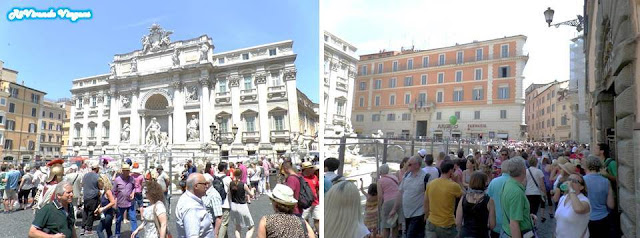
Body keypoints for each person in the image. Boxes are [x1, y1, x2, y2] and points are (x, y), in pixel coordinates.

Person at [390, 156, 427, 238]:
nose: (407, 166)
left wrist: (427, 213)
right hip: (407, 214)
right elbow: (400, 192)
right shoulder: (406, 175)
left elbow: (429, 196)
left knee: (410, 235)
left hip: (418, 213)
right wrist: (394, 209)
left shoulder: (425, 177)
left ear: (417, 165)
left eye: (409, 164)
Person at [425, 160, 464, 238]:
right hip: (447, 224)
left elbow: (426, 203)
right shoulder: (453, 186)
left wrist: (427, 217)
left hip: (431, 222)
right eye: (453, 170)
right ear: (450, 171)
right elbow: (464, 196)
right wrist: (458, 181)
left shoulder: (430, 184)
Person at [499, 157, 535, 238]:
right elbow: (514, 224)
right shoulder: (516, 192)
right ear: (523, 170)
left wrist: (528, 217)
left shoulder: (508, 183)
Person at [583, 156, 616, 238]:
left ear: (587, 166)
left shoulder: (582, 180)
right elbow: (611, 205)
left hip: (587, 219)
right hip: (603, 218)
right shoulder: (606, 181)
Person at [456, 171, 495, 238]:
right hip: (481, 234)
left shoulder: (464, 198)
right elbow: (492, 225)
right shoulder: (489, 200)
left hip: (466, 234)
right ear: (484, 183)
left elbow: (458, 222)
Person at [176, 173, 214, 238]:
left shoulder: (187, 198)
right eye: (205, 184)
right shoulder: (191, 208)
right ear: (196, 186)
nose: (207, 186)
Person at [114, 163, 138, 237]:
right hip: (120, 202)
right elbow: (114, 191)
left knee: (133, 218)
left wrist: (133, 193)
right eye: (125, 170)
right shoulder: (117, 180)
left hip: (130, 202)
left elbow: (135, 187)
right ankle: (117, 233)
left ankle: (135, 234)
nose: (127, 172)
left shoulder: (132, 179)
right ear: (122, 171)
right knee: (118, 219)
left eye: (128, 170)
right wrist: (114, 202)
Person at [229, 169, 255, 238]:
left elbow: (230, 196)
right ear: (241, 175)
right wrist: (253, 190)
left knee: (237, 227)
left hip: (234, 206)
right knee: (251, 227)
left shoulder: (231, 184)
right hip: (242, 206)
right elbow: (251, 195)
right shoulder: (243, 185)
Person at [377, 164, 401, 238]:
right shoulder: (394, 177)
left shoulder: (380, 181)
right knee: (395, 224)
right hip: (398, 201)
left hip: (388, 202)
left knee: (386, 226)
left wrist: (379, 206)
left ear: (380, 172)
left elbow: (380, 196)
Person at [81, 162, 101, 235]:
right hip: (93, 196)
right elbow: (100, 186)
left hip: (86, 195)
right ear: (97, 169)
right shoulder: (97, 176)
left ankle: (83, 227)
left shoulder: (85, 175)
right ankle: (88, 229)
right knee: (90, 213)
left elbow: (82, 184)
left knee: (85, 212)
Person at [300, 162, 320, 233]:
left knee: (318, 219)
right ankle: (308, 233)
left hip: (316, 202)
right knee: (304, 219)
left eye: (312, 168)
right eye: (310, 168)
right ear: (305, 169)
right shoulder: (300, 177)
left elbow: (317, 188)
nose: (312, 170)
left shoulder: (314, 177)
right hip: (306, 202)